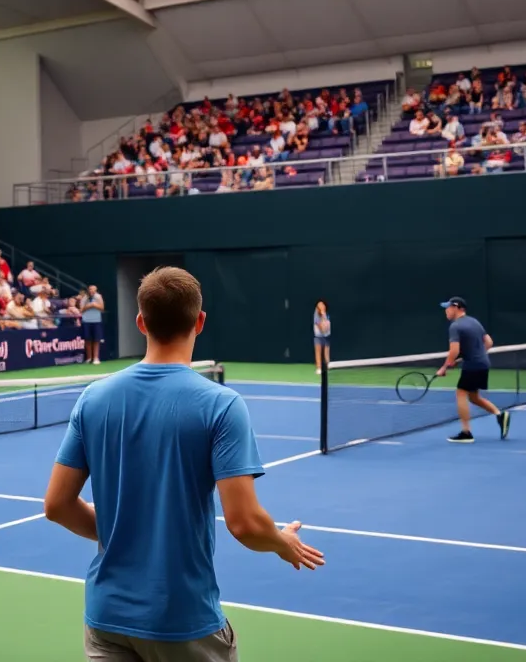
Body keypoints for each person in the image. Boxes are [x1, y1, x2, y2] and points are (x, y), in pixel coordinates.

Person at [44, 267, 323, 662]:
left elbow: (56, 505)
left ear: (141, 322)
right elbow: (243, 523)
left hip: (106, 619)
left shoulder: (93, 398)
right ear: (200, 321)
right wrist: (282, 543)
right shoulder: (221, 406)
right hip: (180, 622)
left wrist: (121, 532)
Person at [436, 297, 509, 443]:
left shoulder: (455, 326)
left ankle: (466, 433)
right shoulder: (474, 321)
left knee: (461, 392)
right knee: (474, 397)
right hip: (483, 363)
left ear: (457, 308)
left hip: (473, 365)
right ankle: (499, 415)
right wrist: (475, 355)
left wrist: (444, 367)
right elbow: (489, 342)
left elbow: (454, 351)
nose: (446, 310)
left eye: (448, 307)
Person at [80, 285, 104, 365]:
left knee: (96, 340)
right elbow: (81, 309)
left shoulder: (98, 297)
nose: (92, 291)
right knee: (87, 340)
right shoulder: (84, 298)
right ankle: (89, 358)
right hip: (86, 321)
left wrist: (94, 305)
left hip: (96, 321)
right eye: (90, 289)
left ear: (96, 290)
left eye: (94, 290)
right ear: (88, 290)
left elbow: (102, 308)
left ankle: (96, 358)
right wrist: (89, 306)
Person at [313, 300, 330, 375]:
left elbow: (326, 328)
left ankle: (327, 367)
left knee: (326, 353)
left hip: (327, 336)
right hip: (318, 336)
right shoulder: (316, 316)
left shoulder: (326, 315)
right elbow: (322, 329)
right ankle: (319, 368)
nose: (322, 306)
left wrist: (324, 315)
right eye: (320, 306)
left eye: (323, 305)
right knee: (318, 352)